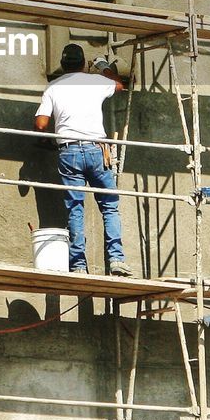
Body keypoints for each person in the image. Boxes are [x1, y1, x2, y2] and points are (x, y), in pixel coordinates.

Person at [34, 44, 133, 276]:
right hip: (98, 150)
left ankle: (78, 265)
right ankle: (116, 260)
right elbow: (119, 85)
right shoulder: (95, 81)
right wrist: (103, 67)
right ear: (82, 63)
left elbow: (40, 124)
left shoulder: (53, 87)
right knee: (109, 206)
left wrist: (47, 138)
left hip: (68, 152)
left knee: (75, 209)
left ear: (62, 64)